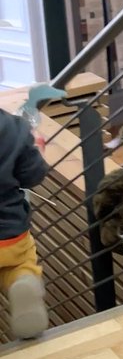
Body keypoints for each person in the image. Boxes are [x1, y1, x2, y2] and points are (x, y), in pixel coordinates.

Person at [0, 108, 49, 340]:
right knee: (19, 264)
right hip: (10, 235)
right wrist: (37, 144)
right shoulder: (13, 127)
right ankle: (22, 280)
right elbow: (33, 175)